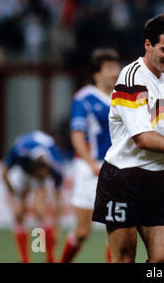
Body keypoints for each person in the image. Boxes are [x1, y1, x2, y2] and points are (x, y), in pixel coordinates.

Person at [91, 14, 164, 263]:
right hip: (123, 177)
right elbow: (142, 139)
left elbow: (161, 123)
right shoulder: (131, 79)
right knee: (124, 258)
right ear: (147, 45)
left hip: (157, 178)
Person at [60, 48, 121, 263]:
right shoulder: (84, 98)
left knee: (114, 231)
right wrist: (90, 163)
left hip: (115, 168)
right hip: (90, 168)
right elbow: (77, 135)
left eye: (116, 67)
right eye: (109, 68)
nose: (115, 72)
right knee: (83, 231)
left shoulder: (123, 97)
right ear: (96, 74)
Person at [1, 130, 65, 263]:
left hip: (38, 163)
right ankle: (24, 259)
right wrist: (13, 192)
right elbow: (4, 173)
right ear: (34, 171)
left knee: (40, 211)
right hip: (24, 169)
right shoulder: (19, 153)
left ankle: (49, 257)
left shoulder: (56, 167)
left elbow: (59, 199)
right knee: (18, 213)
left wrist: (56, 228)